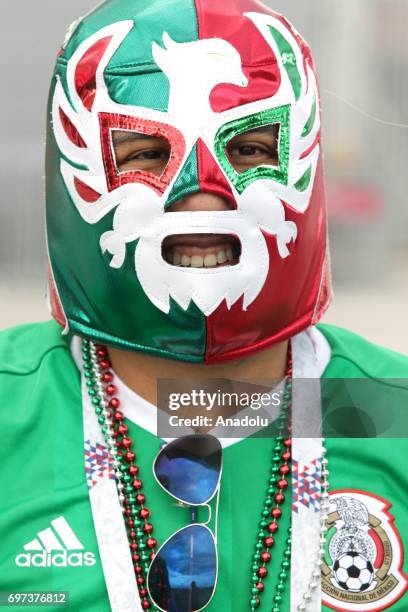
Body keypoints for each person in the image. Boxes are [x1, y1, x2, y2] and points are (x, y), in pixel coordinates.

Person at [1, 0, 407, 610]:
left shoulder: (391, 408)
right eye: (147, 154)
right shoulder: (11, 409)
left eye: (248, 149)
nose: (201, 195)